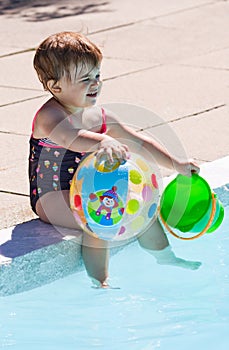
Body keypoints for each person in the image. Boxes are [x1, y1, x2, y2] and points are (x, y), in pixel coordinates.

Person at [29, 31, 201, 288]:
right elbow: (70, 138)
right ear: (56, 87)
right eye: (85, 78)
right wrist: (103, 141)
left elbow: (139, 141)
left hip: (91, 187)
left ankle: (165, 257)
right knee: (100, 219)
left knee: (144, 207)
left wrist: (177, 164)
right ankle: (101, 282)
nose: (95, 83)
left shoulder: (98, 115)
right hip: (52, 195)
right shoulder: (49, 116)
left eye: (97, 75)